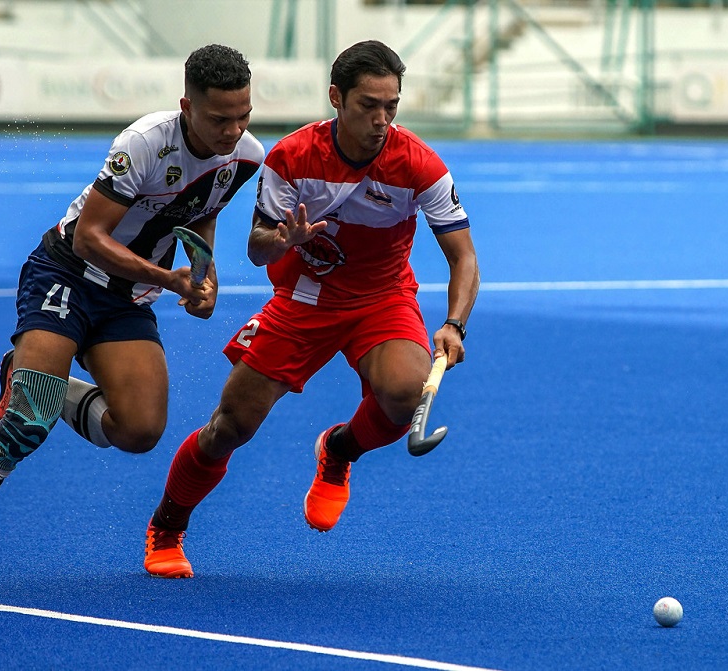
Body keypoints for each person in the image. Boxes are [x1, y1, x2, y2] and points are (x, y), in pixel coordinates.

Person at [0, 44, 265, 595]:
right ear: (187, 106)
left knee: (139, 431)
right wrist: (169, 281)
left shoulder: (246, 156)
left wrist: (204, 274)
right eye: (219, 119)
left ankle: (39, 380)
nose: (233, 130)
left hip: (128, 300)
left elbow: (200, 212)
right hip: (65, 275)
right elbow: (91, 236)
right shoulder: (144, 143)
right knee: (25, 423)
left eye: (243, 116)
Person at [144, 40, 480, 579]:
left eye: (391, 106)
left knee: (402, 395)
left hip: (382, 298)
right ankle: (168, 525)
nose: (381, 119)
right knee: (232, 424)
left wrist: (453, 324)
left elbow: (463, 257)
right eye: (368, 104)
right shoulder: (292, 157)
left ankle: (340, 450)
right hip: (304, 300)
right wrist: (282, 240)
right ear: (335, 98)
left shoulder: (419, 164)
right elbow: (256, 250)